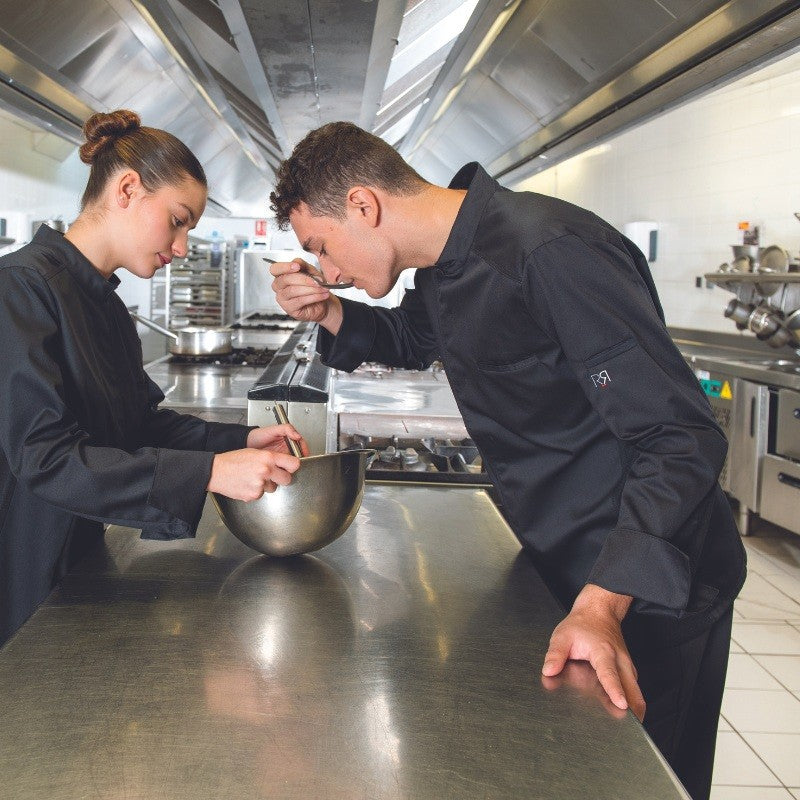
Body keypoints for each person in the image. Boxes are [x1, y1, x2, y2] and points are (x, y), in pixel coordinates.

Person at [267, 121, 746, 800]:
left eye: (321, 246)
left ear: (366, 206)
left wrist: (604, 603)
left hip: (647, 583)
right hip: (561, 562)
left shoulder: (551, 250)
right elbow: (411, 335)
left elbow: (679, 438)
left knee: (642, 784)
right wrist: (329, 310)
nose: (330, 269)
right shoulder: (444, 265)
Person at [0, 109, 307, 648]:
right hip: (20, 570)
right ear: (127, 189)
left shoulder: (105, 305)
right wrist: (208, 472)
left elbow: (137, 426)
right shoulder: (20, 292)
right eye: (178, 219)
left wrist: (239, 442)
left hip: (79, 566)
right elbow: (45, 460)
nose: (183, 246)